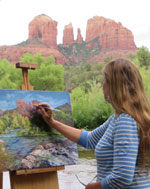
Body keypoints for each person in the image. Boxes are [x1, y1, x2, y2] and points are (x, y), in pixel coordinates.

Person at [37, 58, 150, 188]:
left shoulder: (125, 120)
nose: (103, 85)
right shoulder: (119, 118)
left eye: (105, 80)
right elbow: (89, 139)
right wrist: (52, 122)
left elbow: (122, 177)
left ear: (114, 85)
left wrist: (94, 187)